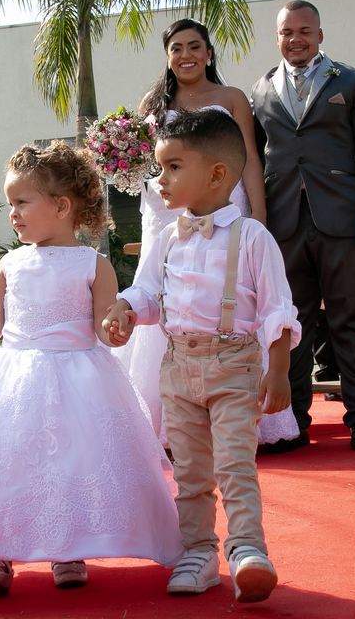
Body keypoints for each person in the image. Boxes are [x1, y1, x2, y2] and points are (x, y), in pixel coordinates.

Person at [0, 142, 182, 595]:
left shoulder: (93, 263)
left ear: (62, 206)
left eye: (22, 202)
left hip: (79, 380)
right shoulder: (11, 262)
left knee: (72, 462)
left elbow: (105, 321)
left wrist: (115, 327)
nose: (13, 213)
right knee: (4, 461)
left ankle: (69, 549)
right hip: (13, 379)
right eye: (11, 204)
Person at [104, 110, 298, 604]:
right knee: (189, 470)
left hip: (235, 365)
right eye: (159, 167)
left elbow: (278, 310)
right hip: (178, 368)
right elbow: (149, 290)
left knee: (235, 463)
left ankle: (248, 549)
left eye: (172, 167)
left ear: (216, 174)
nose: (159, 179)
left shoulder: (253, 237)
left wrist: (278, 372)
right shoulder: (171, 238)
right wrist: (127, 309)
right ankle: (197, 553)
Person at [117, 18, 295, 451]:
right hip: (166, 213)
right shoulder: (152, 104)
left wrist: (259, 215)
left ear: (209, 53)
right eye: (176, 48)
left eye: (194, 46)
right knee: (165, 297)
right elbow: (145, 162)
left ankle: (243, 413)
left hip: (224, 204)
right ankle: (165, 421)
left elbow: (250, 159)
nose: (185, 55)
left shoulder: (231, 98)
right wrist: (117, 156)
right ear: (168, 56)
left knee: (231, 296)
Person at [249, 0, 355, 454]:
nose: (295, 39)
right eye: (286, 32)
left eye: (304, 31)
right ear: (277, 36)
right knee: (291, 325)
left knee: (350, 320)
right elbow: (254, 160)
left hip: (344, 221)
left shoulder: (352, 82)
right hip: (284, 224)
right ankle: (293, 424)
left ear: (319, 35)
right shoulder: (260, 90)